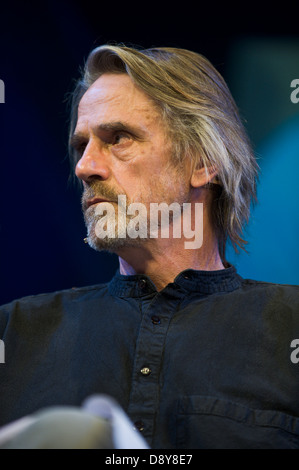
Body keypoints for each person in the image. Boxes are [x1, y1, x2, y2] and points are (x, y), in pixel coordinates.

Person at [0, 44, 299, 449]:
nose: (85, 167)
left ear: (201, 162)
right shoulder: (15, 332)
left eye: (117, 137)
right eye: (81, 146)